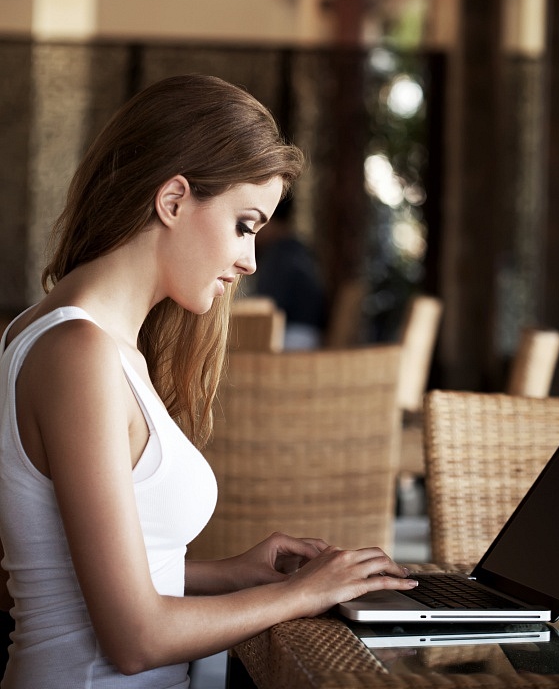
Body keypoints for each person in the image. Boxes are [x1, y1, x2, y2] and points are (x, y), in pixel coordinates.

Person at [0, 73, 417, 688]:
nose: (250, 260)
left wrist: (234, 572)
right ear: (172, 200)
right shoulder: (78, 353)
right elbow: (135, 639)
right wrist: (305, 593)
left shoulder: (73, 339)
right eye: (245, 224)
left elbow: (67, 564)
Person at [252, 196, 328, 348]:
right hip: (309, 334)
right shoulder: (298, 249)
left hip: (291, 337)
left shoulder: (279, 255)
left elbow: (267, 305)